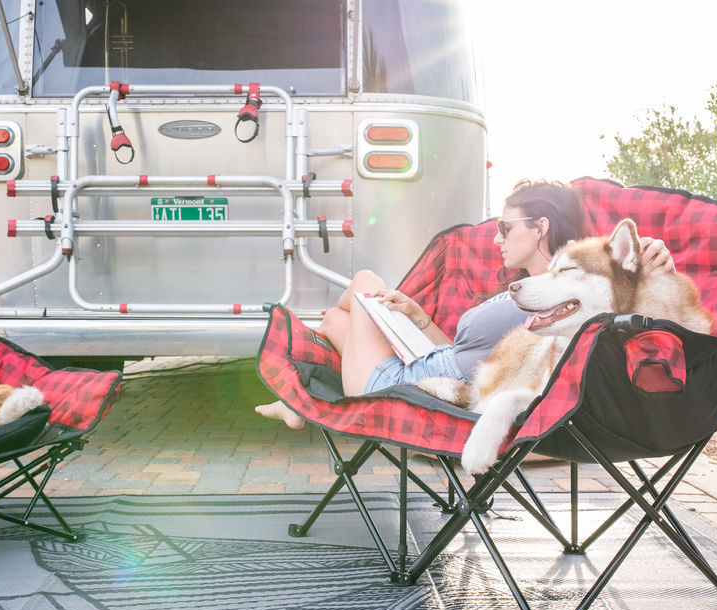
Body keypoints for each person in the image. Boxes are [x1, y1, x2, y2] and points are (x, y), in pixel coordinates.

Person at [255, 180, 675, 429]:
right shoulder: (529, 292)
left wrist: (649, 261)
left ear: (540, 227)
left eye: (505, 228)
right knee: (332, 318)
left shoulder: (565, 300)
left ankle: (300, 403)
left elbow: (619, 296)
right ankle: (298, 407)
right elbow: (463, 354)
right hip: (428, 363)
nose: (497, 238)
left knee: (364, 282)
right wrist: (418, 318)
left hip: (401, 388)